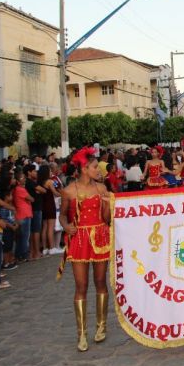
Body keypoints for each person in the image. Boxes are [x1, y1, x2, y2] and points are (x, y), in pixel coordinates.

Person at [59, 147, 111, 352]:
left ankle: (101, 326)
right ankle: (81, 333)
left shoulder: (101, 189)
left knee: (100, 281)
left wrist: (107, 205)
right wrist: (66, 226)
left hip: (99, 236)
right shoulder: (69, 191)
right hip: (79, 239)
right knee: (81, 285)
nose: (98, 170)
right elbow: (62, 215)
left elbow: (106, 219)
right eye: (95, 167)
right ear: (84, 168)